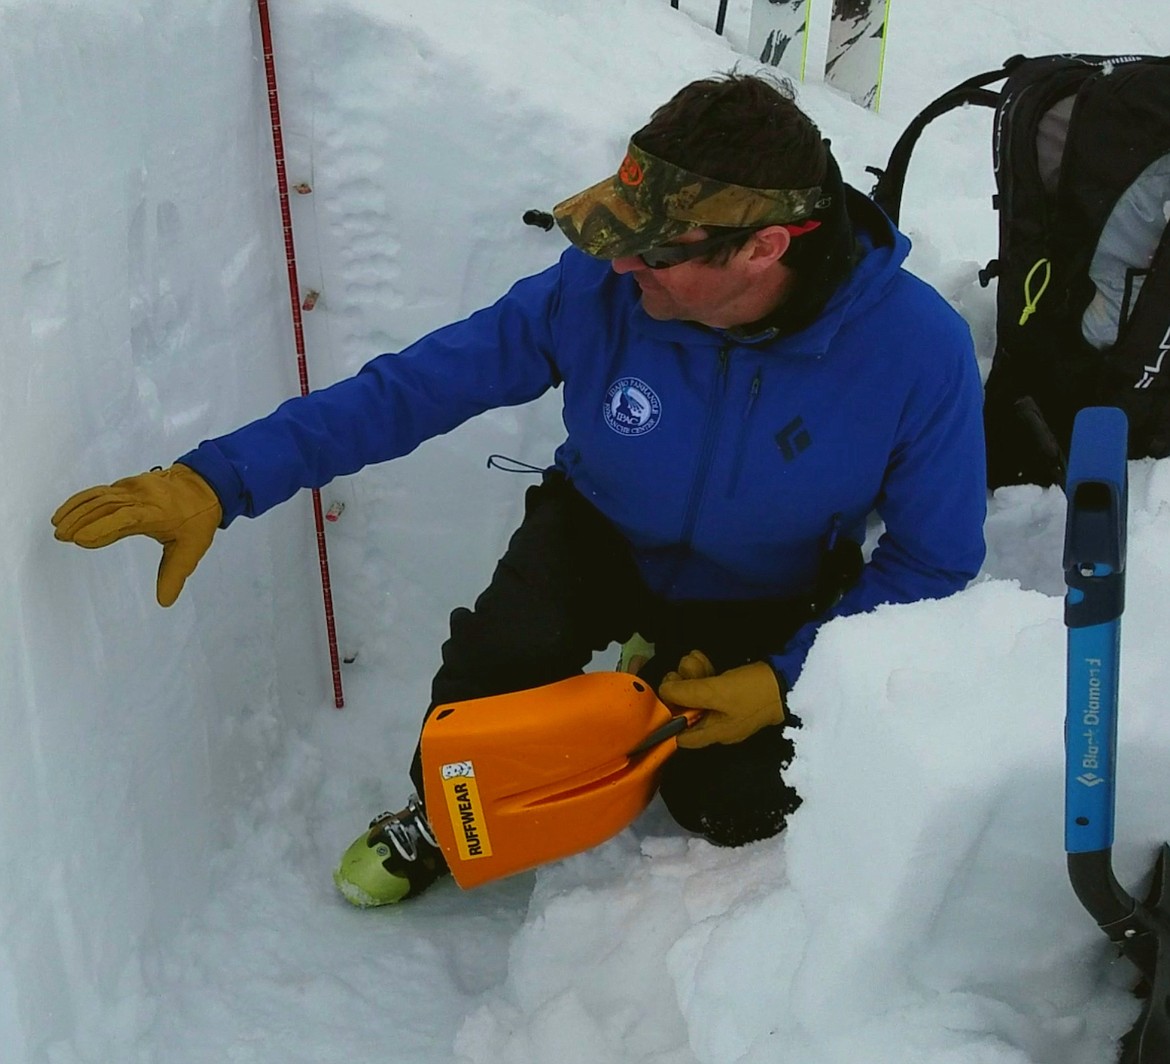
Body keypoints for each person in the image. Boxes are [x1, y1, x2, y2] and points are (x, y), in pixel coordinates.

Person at [52, 72, 987, 906]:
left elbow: (933, 557)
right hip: (604, 530)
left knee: (734, 804)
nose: (622, 265)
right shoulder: (604, 290)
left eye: (654, 252)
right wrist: (220, 480)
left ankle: (657, 698)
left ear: (764, 247)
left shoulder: (917, 352)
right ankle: (438, 818)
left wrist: (781, 683)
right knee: (476, 704)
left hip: (770, 585)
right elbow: (415, 387)